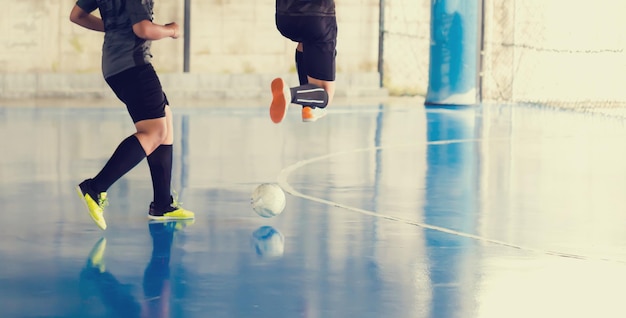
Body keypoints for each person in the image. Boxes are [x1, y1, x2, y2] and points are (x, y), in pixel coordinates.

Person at [70, 0, 194, 230]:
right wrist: (172, 30)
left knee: (164, 116)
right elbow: (143, 29)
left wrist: (114, 26)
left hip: (114, 65)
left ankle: (162, 205)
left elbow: (77, 15)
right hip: (133, 65)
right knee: (154, 131)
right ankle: (95, 188)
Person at [270, 0, 338, 124]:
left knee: (305, 42)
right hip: (317, 17)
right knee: (326, 92)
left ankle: (308, 107)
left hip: (285, 18)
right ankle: (289, 94)